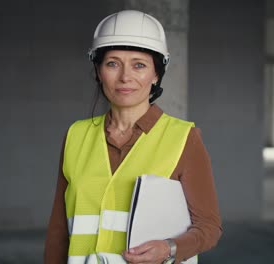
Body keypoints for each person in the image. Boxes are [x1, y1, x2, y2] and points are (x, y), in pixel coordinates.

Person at [44, 10, 222, 264]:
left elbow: (209, 227)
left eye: (139, 65)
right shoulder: (76, 135)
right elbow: (58, 231)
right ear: (98, 71)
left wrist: (169, 248)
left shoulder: (184, 138)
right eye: (113, 64)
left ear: (156, 74)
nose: (125, 77)